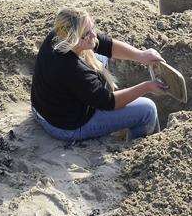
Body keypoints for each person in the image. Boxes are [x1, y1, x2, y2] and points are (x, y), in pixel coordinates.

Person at [31, 8, 165, 143]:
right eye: (87, 34)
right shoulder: (73, 69)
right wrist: (147, 87)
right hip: (65, 127)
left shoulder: (58, 35)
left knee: (100, 56)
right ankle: (139, 147)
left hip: (43, 109)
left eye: (92, 28)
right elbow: (109, 102)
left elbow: (105, 44)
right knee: (148, 110)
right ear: (74, 39)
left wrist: (140, 55)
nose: (94, 35)